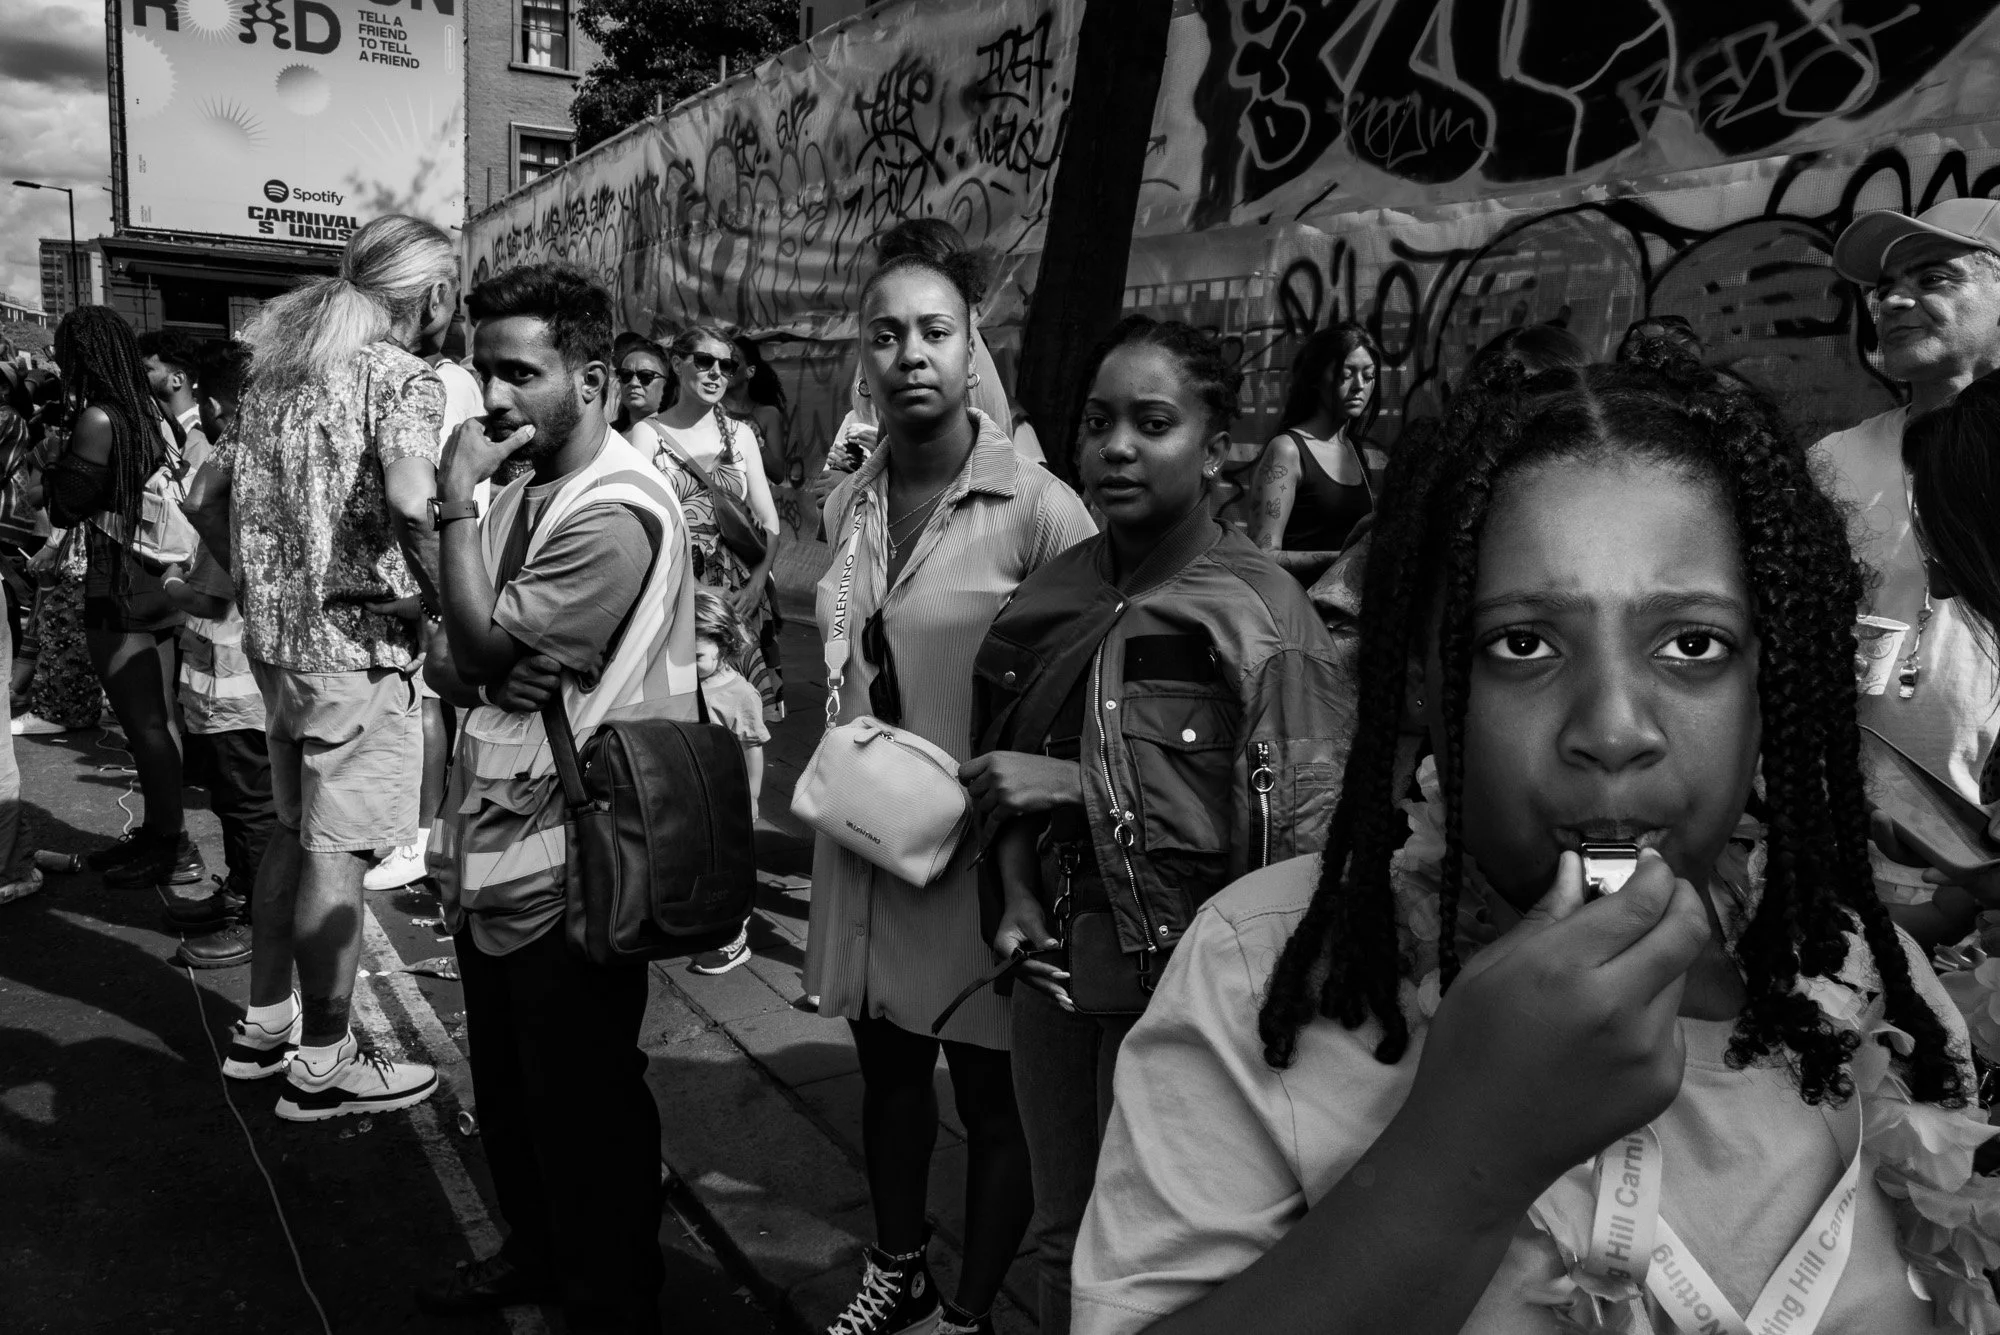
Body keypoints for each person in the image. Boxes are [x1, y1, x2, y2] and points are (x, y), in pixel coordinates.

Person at [1069, 359, 1998, 1335]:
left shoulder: (1855, 972)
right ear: (1427, 675)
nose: (1610, 727)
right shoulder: (1261, 976)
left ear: (1769, 681)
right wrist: (1461, 1160)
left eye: (1691, 646)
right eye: (1522, 645)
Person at [963, 317, 1349, 1335]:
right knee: (1062, 1235)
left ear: (1215, 447)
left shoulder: (1260, 615)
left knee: (1172, 1256)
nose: (1116, 447)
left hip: (1190, 989)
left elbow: (1304, 847)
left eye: (1152, 423)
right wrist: (1008, 898)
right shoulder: (1045, 594)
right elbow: (996, 777)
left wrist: (1076, 784)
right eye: (1096, 425)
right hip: (1056, 973)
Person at [808, 248, 1095, 1335]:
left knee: (989, 1100)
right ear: (863, 354)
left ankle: (968, 1313)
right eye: (886, 334)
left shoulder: (1038, 507)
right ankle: (898, 1269)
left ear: (971, 343)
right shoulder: (854, 499)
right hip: (870, 841)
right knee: (884, 1076)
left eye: (933, 331)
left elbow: (1082, 691)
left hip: (983, 859)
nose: (910, 355)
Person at [419, 263, 691, 1333]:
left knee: (584, 1109)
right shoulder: (529, 488)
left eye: (518, 373)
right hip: (502, 859)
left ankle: (609, 1299)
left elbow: (476, 641)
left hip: (576, 866)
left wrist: (449, 514)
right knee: (516, 1095)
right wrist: (463, 648)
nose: (491, 398)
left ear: (591, 381)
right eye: (485, 370)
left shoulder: (614, 511)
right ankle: (536, 1256)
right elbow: (463, 655)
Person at [179, 214, 450, 1116]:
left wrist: (260, 584)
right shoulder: (399, 377)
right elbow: (415, 502)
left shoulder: (280, 370)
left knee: (293, 837)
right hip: (356, 653)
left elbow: (203, 491)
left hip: (278, 650)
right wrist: (450, 600)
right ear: (427, 293)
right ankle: (327, 1062)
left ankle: (264, 1030)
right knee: (338, 850)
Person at [1818, 199, 2000, 939]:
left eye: (1933, 276)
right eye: (1883, 287)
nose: (1893, 300)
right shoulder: (1829, 467)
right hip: (1862, 873)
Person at [42, 307, 203, 889]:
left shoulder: (99, 419)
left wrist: (51, 457)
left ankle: (173, 848)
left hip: (117, 591)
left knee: (145, 728)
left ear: (81, 356)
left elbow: (65, 505)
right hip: (161, 585)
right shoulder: (152, 414)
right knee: (161, 723)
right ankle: (166, 832)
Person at [368, 284, 486, 894]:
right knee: (432, 702)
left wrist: (440, 585)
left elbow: (443, 492)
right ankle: (424, 832)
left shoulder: (440, 381)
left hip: (442, 558)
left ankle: (421, 836)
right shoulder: (426, 375)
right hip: (432, 559)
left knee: (437, 702)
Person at [160, 339, 274, 945]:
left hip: (238, 688)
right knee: (239, 804)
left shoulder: (237, 471)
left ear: (218, 403)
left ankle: (257, 917)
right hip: (228, 686)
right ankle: (241, 893)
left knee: (250, 806)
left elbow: (211, 594)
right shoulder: (252, 462)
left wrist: (172, 580)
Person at [632, 326, 786, 722]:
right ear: (678, 363)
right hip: (673, 591)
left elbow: (770, 523)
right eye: (704, 361)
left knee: (740, 714)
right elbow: (638, 529)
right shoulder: (647, 435)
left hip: (738, 598)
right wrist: (691, 589)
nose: (717, 372)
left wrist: (756, 586)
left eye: (727, 365)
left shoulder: (742, 435)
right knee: (678, 713)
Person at [1238, 321, 1383, 582]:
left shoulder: (1354, 450)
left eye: (1369, 376)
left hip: (1342, 616)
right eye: (1346, 374)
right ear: (1317, 378)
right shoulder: (1287, 450)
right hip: (1296, 611)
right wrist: (1344, 557)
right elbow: (1262, 554)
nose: (1359, 385)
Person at [684, 588, 769, 977]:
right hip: (691, 792)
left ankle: (732, 934)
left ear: (723, 644)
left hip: (724, 795)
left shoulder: (740, 695)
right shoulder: (684, 682)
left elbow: (753, 747)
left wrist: (751, 795)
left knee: (729, 866)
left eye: (697, 655)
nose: (689, 661)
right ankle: (702, 921)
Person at [136, 327, 209, 449]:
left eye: (147, 369)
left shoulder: (198, 434)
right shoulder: (160, 425)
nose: (139, 375)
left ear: (177, 379)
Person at [610, 338, 670, 437]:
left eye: (645, 376)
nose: (633, 383)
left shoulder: (680, 436)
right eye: (626, 375)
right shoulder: (608, 437)